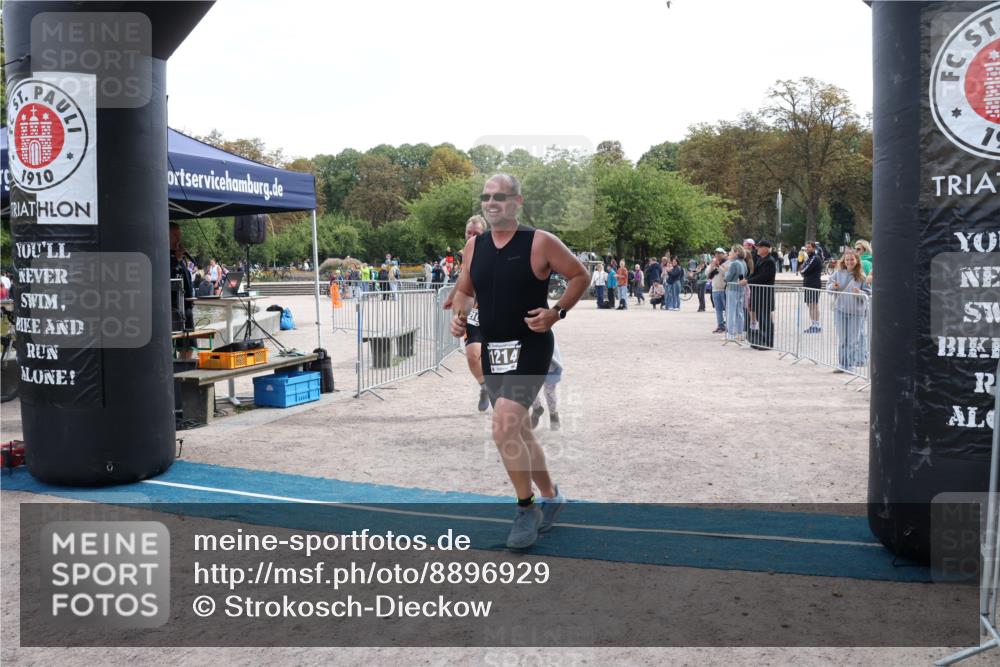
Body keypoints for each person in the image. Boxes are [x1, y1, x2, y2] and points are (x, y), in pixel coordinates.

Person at [449, 173, 588, 549]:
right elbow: (464, 289)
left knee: (503, 426)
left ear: (517, 202)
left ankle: (526, 508)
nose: (492, 203)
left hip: (531, 344)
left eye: (501, 197)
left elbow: (580, 275)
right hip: (495, 349)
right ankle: (552, 497)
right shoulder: (473, 246)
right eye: (487, 197)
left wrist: (557, 311)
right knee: (520, 431)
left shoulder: (540, 241)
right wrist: (459, 314)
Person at [443, 215, 491, 412]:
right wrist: (452, 296)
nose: (471, 236)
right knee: (472, 355)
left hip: (495, 311)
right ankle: (484, 386)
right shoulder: (467, 254)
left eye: (476, 233)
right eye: (469, 233)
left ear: (484, 234)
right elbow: (464, 278)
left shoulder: (493, 252)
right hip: (474, 312)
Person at [828, 249, 871, 373]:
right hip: (840, 310)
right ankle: (842, 364)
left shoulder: (862, 277)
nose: (849, 262)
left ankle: (850, 365)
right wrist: (833, 287)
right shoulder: (837, 274)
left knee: (853, 340)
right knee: (843, 339)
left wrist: (861, 292)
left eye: (852, 259)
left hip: (856, 313)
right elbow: (828, 287)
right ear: (844, 261)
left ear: (857, 261)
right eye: (847, 259)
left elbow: (869, 293)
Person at [740, 239, 777, 349]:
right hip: (758, 294)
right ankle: (761, 341)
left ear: (766, 248)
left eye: (760, 247)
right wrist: (746, 279)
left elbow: (763, 277)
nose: (758, 249)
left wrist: (747, 281)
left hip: (765, 294)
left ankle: (768, 343)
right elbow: (755, 273)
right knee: (761, 319)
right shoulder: (760, 259)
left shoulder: (769, 261)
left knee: (766, 320)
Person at [169, 222, 196, 360]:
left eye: (179, 235)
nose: (178, 238)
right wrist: (177, 259)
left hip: (186, 306)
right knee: (172, 343)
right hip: (172, 308)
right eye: (174, 235)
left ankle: (183, 370)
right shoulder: (163, 255)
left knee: (189, 344)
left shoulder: (180, 257)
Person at [530, 340, 564, 431]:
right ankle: (537, 409)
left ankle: (553, 414)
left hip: (550, 364)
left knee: (549, 392)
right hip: (531, 364)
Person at [724, 245, 748, 338]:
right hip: (740, 289)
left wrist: (726, 271)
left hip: (732, 289)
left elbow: (727, 278)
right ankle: (740, 332)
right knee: (739, 311)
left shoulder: (734, 263)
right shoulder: (743, 263)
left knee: (731, 311)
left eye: (731, 251)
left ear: (737, 252)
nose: (730, 253)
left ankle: (730, 333)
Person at [800, 241, 824, 333]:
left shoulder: (815, 258)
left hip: (813, 284)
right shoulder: (809, 258)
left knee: (813, 304)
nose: (807, 249)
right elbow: (803, 268)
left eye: (809, 247)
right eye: (806, 247)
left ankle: (816, 325)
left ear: (813, 248)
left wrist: (803, 271)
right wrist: (803, 271)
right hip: (808, 283)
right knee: (810, 305)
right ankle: (814, 324)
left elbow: (804, 270)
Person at [707, 248, 728, 333]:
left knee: (727, 309)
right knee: (718, 310)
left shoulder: (726, 263)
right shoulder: (713, 263)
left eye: (719, 253)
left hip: (724, 289)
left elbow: (726, 274)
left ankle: (728, 326)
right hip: (715, 289)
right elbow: (707, 274)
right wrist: (712, 266)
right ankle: (720, 326)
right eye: (716, 253)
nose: (717, 255)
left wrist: (719, 266)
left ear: (723, 254)